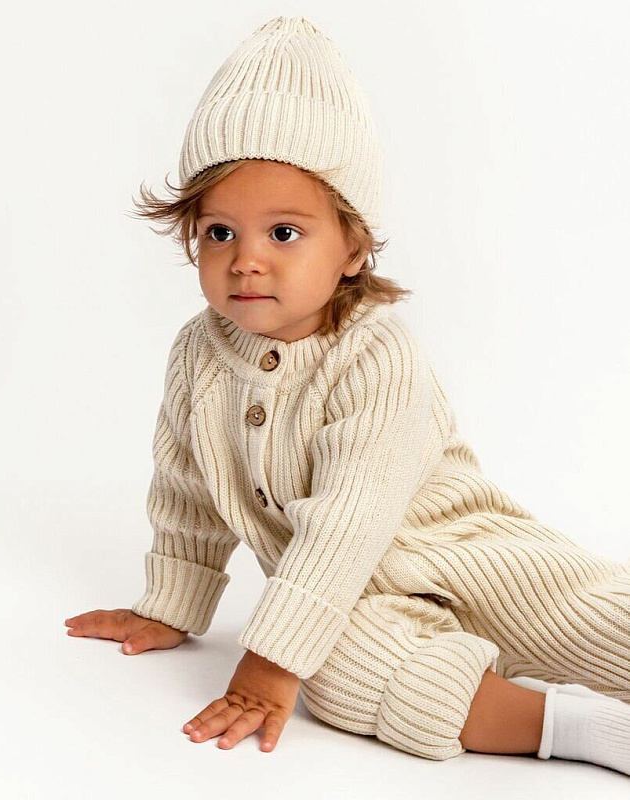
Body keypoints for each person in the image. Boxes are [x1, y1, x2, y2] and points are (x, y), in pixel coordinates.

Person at [63, 15, 630, 774]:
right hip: (342, 595)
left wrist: (269, 661)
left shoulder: (376, 355)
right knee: (337, 670)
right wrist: (173, 604)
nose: (246, 260)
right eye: (220, 232)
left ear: (353, 248)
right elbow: (187, 490)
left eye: (284, 233)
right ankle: (582, 728)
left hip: (461, 556)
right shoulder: (199, 354)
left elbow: (347, 521)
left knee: (591, 622)